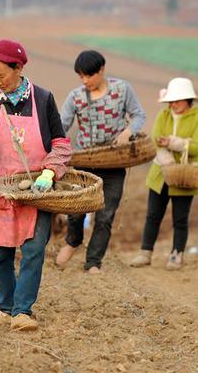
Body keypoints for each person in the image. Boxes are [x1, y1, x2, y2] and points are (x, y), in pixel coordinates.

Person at [0, 39, 71, 331]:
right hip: (1, 189)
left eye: (1, 76)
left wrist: (50, 172)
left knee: (34, 249)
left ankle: (23, 311)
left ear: (18, 68)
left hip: (36, 191)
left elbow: (60, 144)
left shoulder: (43, 100)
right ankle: (5, 309)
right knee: (3, 253)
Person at [56, 50, 146, 273]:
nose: (85, 81)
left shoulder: (122, 90)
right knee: (76, 209)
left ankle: (93, 261)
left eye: (89, 76)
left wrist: (128, 132)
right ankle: (73, 240)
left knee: (105, 216)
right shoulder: (76, 97)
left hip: (114, 162)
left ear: (102, 70)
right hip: (85, 160)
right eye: (81, 77)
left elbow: (139, 115)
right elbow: (61, 125)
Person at [130, 77, 198, 270]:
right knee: (153, 215)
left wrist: (174, 142)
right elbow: (156, 139)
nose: (173, 104)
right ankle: (145, 252)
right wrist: (168, 158)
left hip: (185, 176)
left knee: (180, 218)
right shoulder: (163, 115)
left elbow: (197, 146)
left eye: (177, 100)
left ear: (188, 100)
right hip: (160, 174)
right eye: (171, 101)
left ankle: (176, 255)